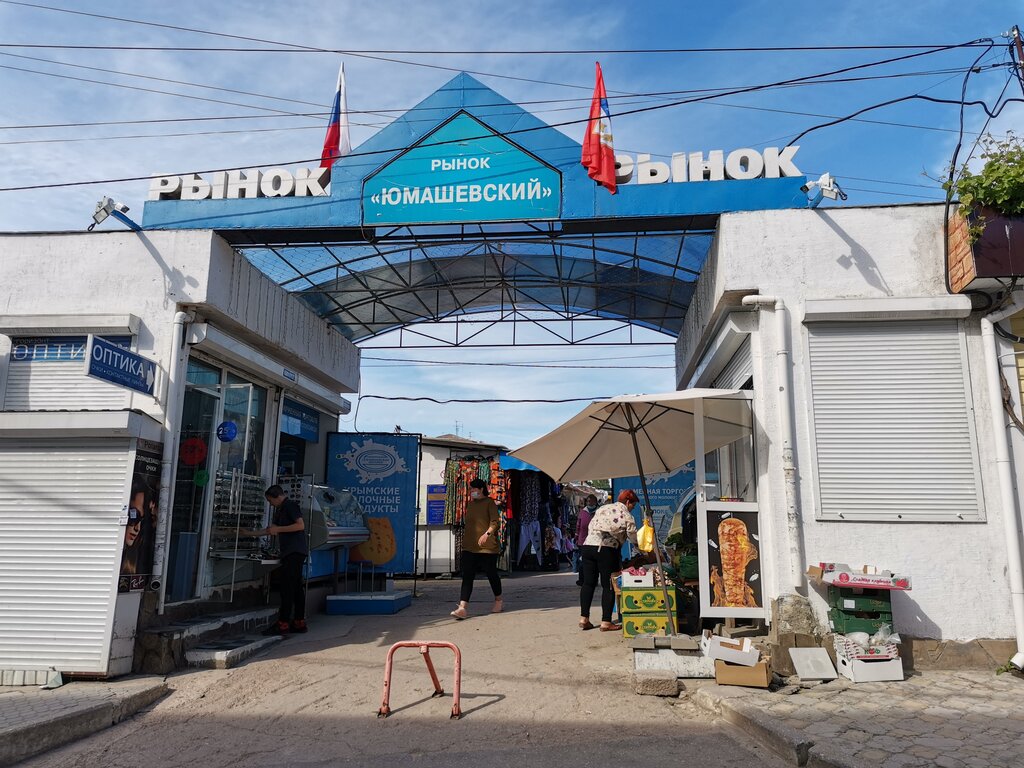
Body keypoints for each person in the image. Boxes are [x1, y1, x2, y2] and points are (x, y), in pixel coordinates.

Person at [578, 489, 639, 632]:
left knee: (588, 583)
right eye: (633, 505)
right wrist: (643, 549)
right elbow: (633, 537)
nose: (632, 508)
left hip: (588, 546)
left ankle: (584, 618)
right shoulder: (626, 515)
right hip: (607, 550)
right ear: (628, 502)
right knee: (608, 585)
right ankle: (606, 621)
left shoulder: (603, 508)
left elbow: (590, 526)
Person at [450, 478, 502, 620]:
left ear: (481, 489)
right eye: (470, 489)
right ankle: (462, 607)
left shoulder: (489, 503)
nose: (471, 492)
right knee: (467, 576)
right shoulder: (471, 505)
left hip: (487, 547)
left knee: (491, 574)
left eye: (473, 489)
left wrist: (487, 534)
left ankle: (498, 600)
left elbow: (495, 522)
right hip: (470, 546)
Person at [261, 485, 308, 635]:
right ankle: (299, 622)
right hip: (291, 552)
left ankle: (283, 624)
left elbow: (300, 525)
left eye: (270, 501)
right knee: (295, 588)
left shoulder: (290, 506)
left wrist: (279, 529)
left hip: (294, 552)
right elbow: (271, 529)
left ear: (277, 497)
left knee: (287, 589)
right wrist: (248, 533)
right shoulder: (280, 510)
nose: (270, 504)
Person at [574, 494, 598, 586]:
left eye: (591, 501)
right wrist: (576, 538)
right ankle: (582, 580)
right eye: (587, 501)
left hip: (595, 541)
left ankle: (594, 580)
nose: (589, 503)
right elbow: (578, 526)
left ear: (595, 502)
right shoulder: (582, 512)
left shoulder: (598, 512)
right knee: (582, 561)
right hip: (582, 541)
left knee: (594, 562)